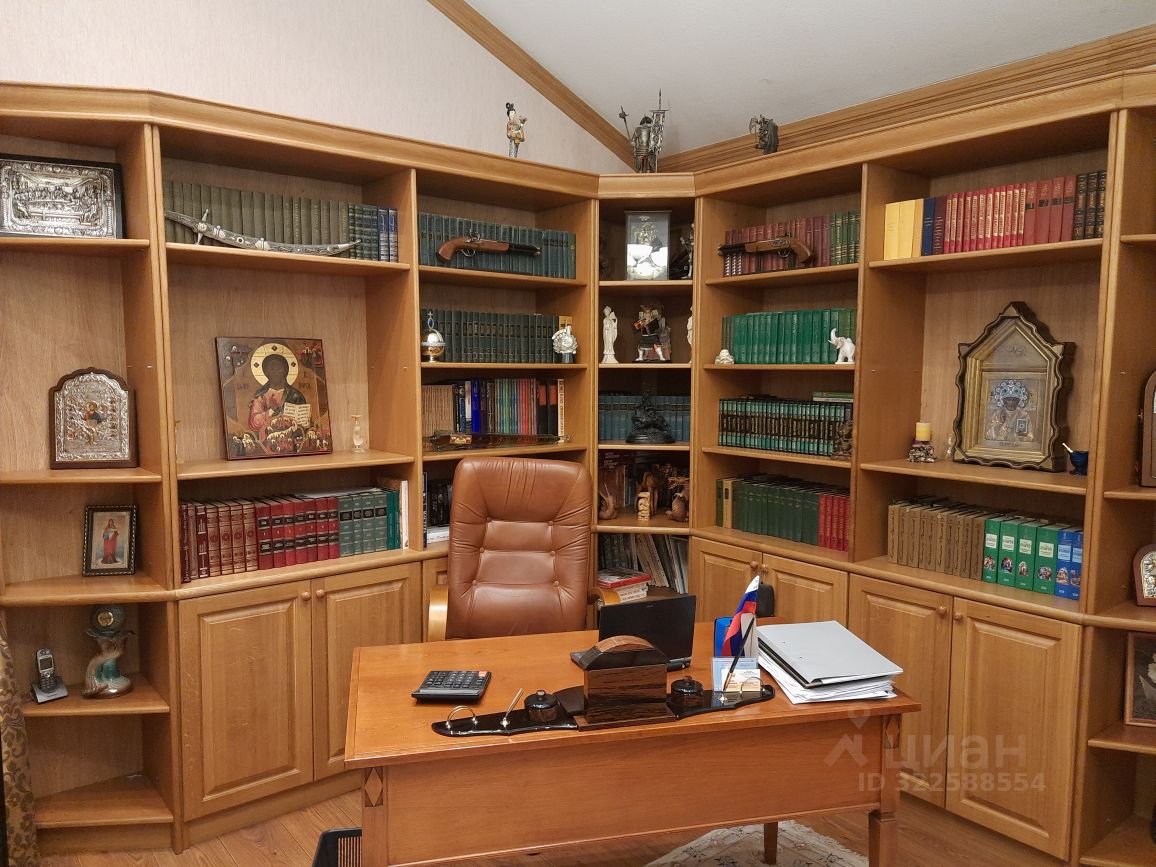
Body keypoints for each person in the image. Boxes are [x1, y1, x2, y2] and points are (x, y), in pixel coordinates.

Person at [248, 353, 308, 449]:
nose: (276, 371)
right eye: (272, 368)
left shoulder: (295, 395)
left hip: (292, 441)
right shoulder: (261, 395)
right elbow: (254, 423)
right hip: (268, 443)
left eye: (279, 368)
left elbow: (304, 422)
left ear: (285, 371)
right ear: (266, 372)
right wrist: (271, 410)